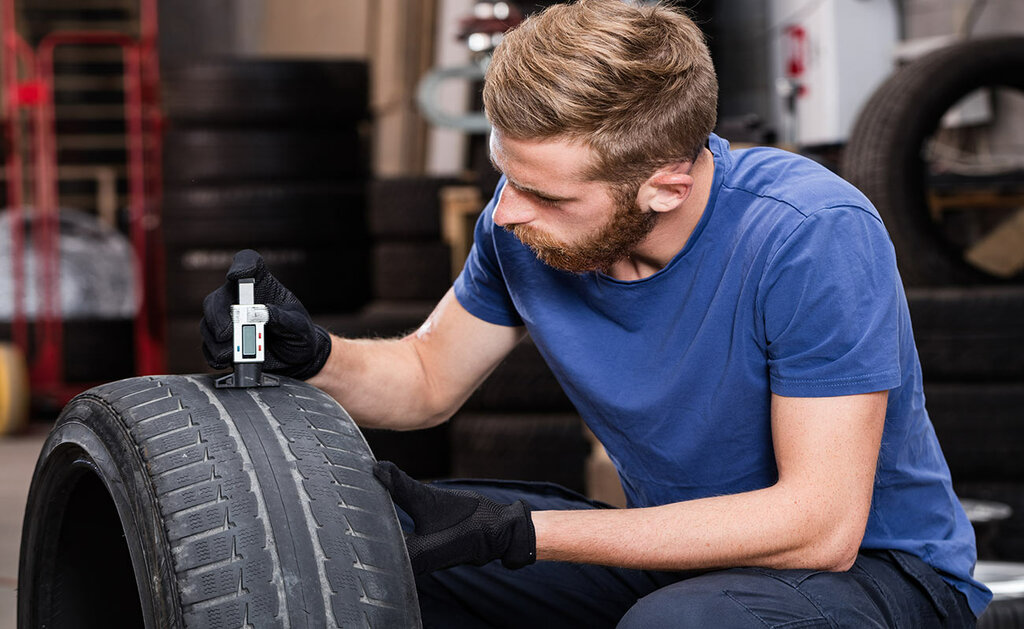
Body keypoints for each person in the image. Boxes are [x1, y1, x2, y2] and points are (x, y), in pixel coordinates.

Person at [201, 1, 990, 626]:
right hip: (681, 553)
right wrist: (312, 353)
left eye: (546, 193)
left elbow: (819, 526)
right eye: (505, 175)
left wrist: (525, 531)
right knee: (378, 554)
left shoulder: (809, 234)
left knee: (688, 624)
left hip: (878, 574)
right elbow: (424, 379)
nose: (506, 212)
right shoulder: (527, 232)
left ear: (667, 184)